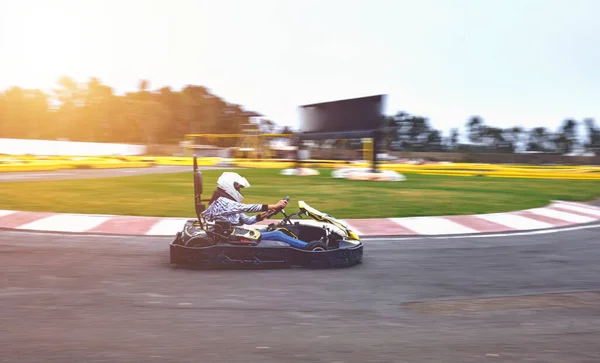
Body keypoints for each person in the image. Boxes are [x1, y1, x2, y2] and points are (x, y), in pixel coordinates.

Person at [202, 171, 308, 249]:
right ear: (229, 185)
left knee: (272, 229)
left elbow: (246, 221)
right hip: (228, 236)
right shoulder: (222, 202)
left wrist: (260, 216)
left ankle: (306, 244)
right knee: (277, 235)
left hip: (236, 232)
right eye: (238, 187)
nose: (239, 190)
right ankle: (310, 248)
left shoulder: (230, 203)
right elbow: (247, 207)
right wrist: (274, 206)